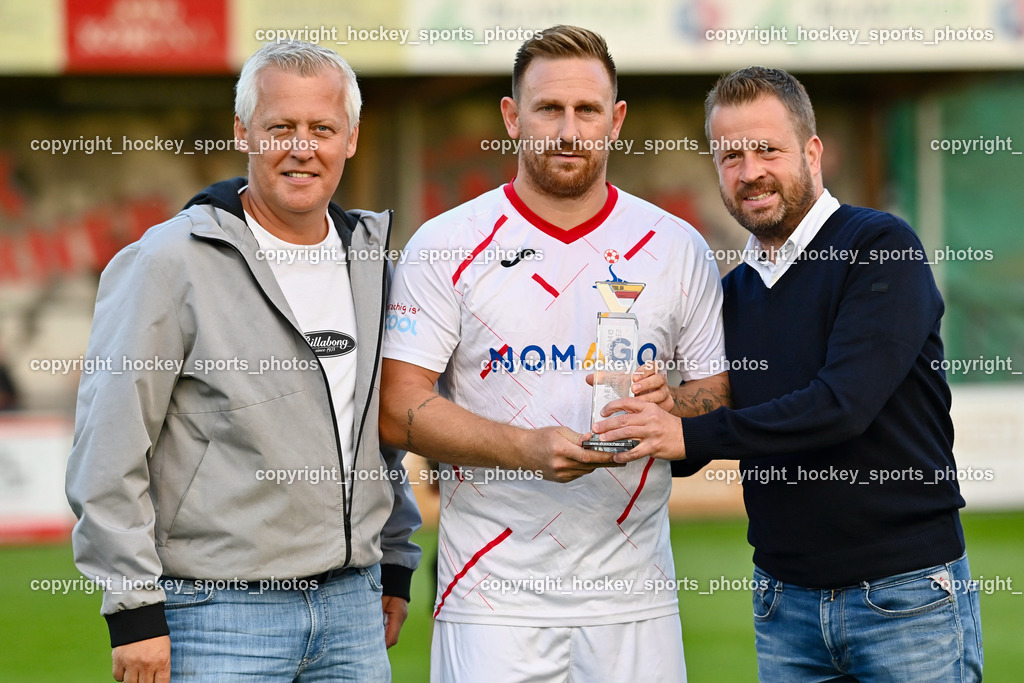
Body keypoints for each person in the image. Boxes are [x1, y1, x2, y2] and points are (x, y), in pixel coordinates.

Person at [593, 66, 983, 681]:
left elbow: (841, 406)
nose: (749, 172)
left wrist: (692, 434)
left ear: (812, 151)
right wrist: (663, 410)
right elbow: (703, 438)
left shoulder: (879, 248)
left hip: (904, 597)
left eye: (766, 150)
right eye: (729, 156)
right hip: (784, 603)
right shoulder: (733, 294)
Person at [379, 25, 729, 682]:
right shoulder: (445, 244)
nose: (568, 129)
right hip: (491, 597)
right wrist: (527, 448)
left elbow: (718, 392)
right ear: (513, 116)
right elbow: (398, 408)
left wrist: (671, 408)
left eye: (587, 110)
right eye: (548, 109)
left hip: (635, 597)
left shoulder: (677, 246)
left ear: (615, 119)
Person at [65, 41, 421, 682]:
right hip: (220, 615)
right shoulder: (169, 261)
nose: (301, 147)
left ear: (352, 139)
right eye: (279, 127)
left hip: (353, 609)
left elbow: (371, 431)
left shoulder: (372, 261)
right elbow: (109, 444)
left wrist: (395, 555)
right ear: (244, 133)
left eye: (322, 129)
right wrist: (133, 612)